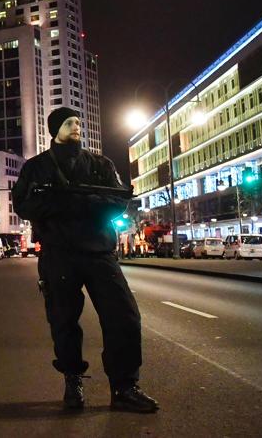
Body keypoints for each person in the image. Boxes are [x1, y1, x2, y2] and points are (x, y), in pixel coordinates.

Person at [13, 107, 159, 413]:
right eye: (69, 123)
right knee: (63, 321)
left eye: (78, 122)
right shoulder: (36, 168)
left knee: (124, 317)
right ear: (55, 129)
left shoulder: (100, 164)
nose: (76, 126)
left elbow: (118, 200)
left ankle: (124, 387)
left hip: (99, 252)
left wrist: (83, 203)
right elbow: (23, 204)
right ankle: (73, 380)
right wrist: (61, 204)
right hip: (58, 254)